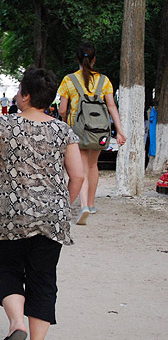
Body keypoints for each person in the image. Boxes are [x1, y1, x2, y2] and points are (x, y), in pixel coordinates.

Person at [0, 67, 84, 340]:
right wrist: (62, 204)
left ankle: (16, 324)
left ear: (24, 95)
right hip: (53, 215)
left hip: (12, 212)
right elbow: (78, 176)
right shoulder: (64, 130)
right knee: (43, 277)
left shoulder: (3, 126)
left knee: (7, 267)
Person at [58, 41, 127, 225]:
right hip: (99, 130)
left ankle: (83, 206)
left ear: (77, 59)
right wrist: (119, 131)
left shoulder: (69, 80)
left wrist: (64, 120)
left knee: (80, 166)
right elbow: (112, 106)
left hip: (78, 129)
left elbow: (63, 109)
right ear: (94, 59)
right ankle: (91, 202)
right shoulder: (104, 81)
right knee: (92, 165)